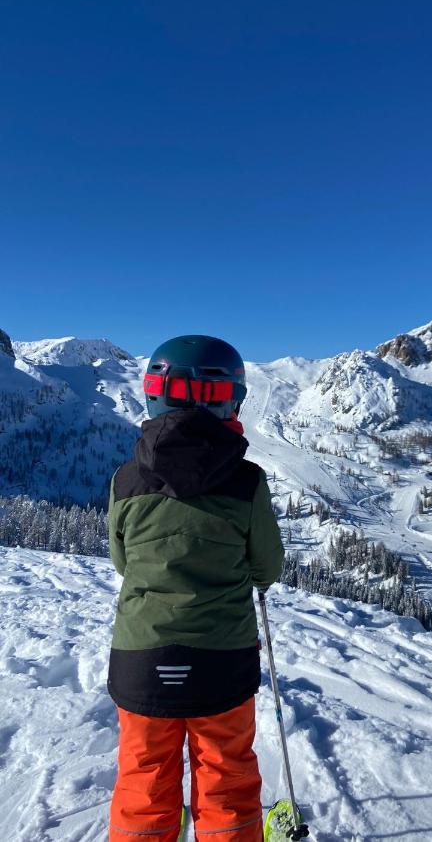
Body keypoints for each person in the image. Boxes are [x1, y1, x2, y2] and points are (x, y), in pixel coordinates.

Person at [107, 335, 284, 842]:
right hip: (221, 658)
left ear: (154, 393)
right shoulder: (246, 482)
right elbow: (266, 566)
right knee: (226, 782)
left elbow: (123, 562)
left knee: (143, 784)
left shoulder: (126, 479)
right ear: (230, 398)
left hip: (141, 657)